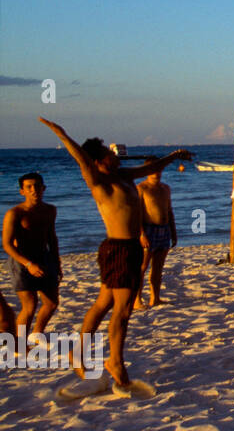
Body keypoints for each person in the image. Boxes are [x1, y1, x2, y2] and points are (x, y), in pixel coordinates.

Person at [37, 118, 190, 389]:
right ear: (99, 161)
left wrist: (173, 156)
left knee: (104, 304)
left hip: (128, 248)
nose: (114, 155)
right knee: (122, 310)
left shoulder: (124, 176)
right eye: (109, 154)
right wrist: (61, 133)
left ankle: (77, 352)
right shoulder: (98, 181)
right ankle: (115, 362)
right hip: (118, 248)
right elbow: (81, 158)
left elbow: (150, 167)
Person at [3, 173, 61, 340]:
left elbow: (52, 237)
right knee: (29, 306)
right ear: (22, 191)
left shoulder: (50, 210)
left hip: (44, 258)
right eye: (29, 187)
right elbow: (7, 245)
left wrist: (56, 263)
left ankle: (36, 334)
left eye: (37, 186)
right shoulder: (15, 213)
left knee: (51, 303)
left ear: (44, 188)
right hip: (22, 261)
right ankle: (20, 344)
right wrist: (29, 264)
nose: (34, 190)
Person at [134, 157, 177, 310]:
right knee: (142, 267)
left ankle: (155, 298)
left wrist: (173, 231)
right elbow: (136, 213)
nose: (157, 172)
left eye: (159, 169)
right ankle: (137, 300)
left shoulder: (165, 188)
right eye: (153, 169)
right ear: (146, 171)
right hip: (148, 229)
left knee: (158, 267)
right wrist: (141, 234)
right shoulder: (141, 188)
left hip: (164, 229)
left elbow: (169, 211)